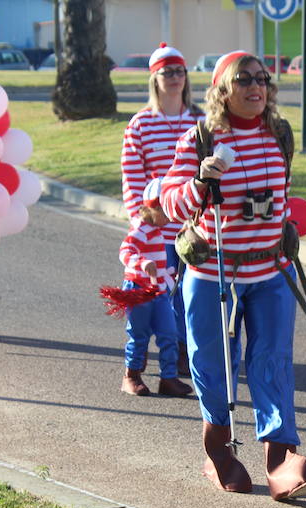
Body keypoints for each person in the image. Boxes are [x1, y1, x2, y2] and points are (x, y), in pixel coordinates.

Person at [160, 51, 306, 501]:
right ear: (222, 91)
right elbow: (170, 202)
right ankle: (218, 453)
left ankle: (280, 460)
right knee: (214, 366)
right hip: (214, 274)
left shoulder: (278, 133)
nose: (255, 86)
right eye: (243, 79)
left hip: (271, 271)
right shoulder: (203, 138)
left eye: (261, 78)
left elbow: (281, 195)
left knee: (272, 362)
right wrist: (197, 184)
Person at [121, 43, 201, 381]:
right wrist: (147, 222)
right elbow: (132, 179)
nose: (174, 78)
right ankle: (142, 364)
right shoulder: (140, 124)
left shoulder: (201, 121)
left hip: (195, 226)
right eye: (167, 72)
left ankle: (185, 353)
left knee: (192, 295)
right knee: (160, 298)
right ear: (155, 78)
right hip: (158, 228)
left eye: (179, 71)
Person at [117, 202, 194, 398]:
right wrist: (142, 263)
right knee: (139, 334)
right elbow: (125, 251)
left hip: (158, 289)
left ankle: (168, 378)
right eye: (167, 215)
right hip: (138, 289)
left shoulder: (156, 228)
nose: (170, 220)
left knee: (169, 332)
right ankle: (131, 376)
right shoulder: (140, 228)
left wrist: (168, 274)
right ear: (154, 210)